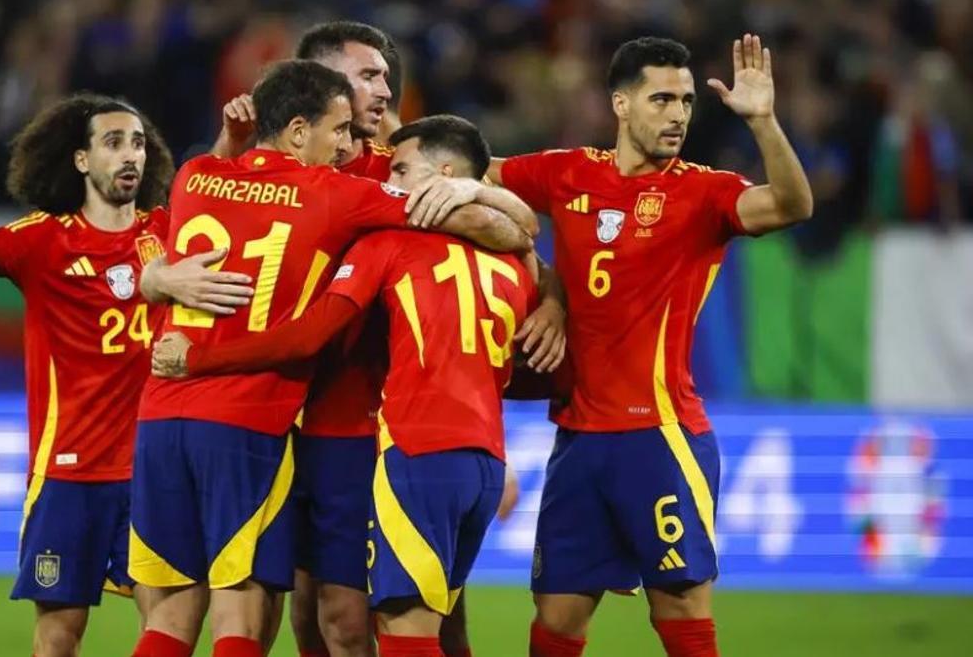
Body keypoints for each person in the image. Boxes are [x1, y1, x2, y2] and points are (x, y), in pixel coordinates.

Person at [128, 60, 535, 657]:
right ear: (298, 130)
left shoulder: (194, 175)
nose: (349, 144)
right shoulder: (337, 193)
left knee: (169, 614)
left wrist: (154, 282)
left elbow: (162, 245)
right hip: (247, 420)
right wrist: (483, 201)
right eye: (338, 129)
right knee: (242, 612)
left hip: (161, 416)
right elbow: (491, 225)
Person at [0, 94, 255, 657]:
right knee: (58, 636)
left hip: (152, 470)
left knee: (171, 620)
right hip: (69, 473)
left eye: (138, 143)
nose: (130, 156)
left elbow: (206, 190)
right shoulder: (43, 240)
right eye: (113, 142)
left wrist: (231, 143)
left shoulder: (164, 231)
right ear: (80, 160)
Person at [487, 35, 813, 657]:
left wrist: (764, 123)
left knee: (682, 607)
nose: (678, 115)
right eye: (662, 99)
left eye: (687, 101)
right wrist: (552, 293)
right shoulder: (568, 172)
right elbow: (471, 167)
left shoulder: (704, 192)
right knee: (555, 617)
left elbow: (794, 204)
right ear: (620, 103)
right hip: (580, 437)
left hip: (659, 435)